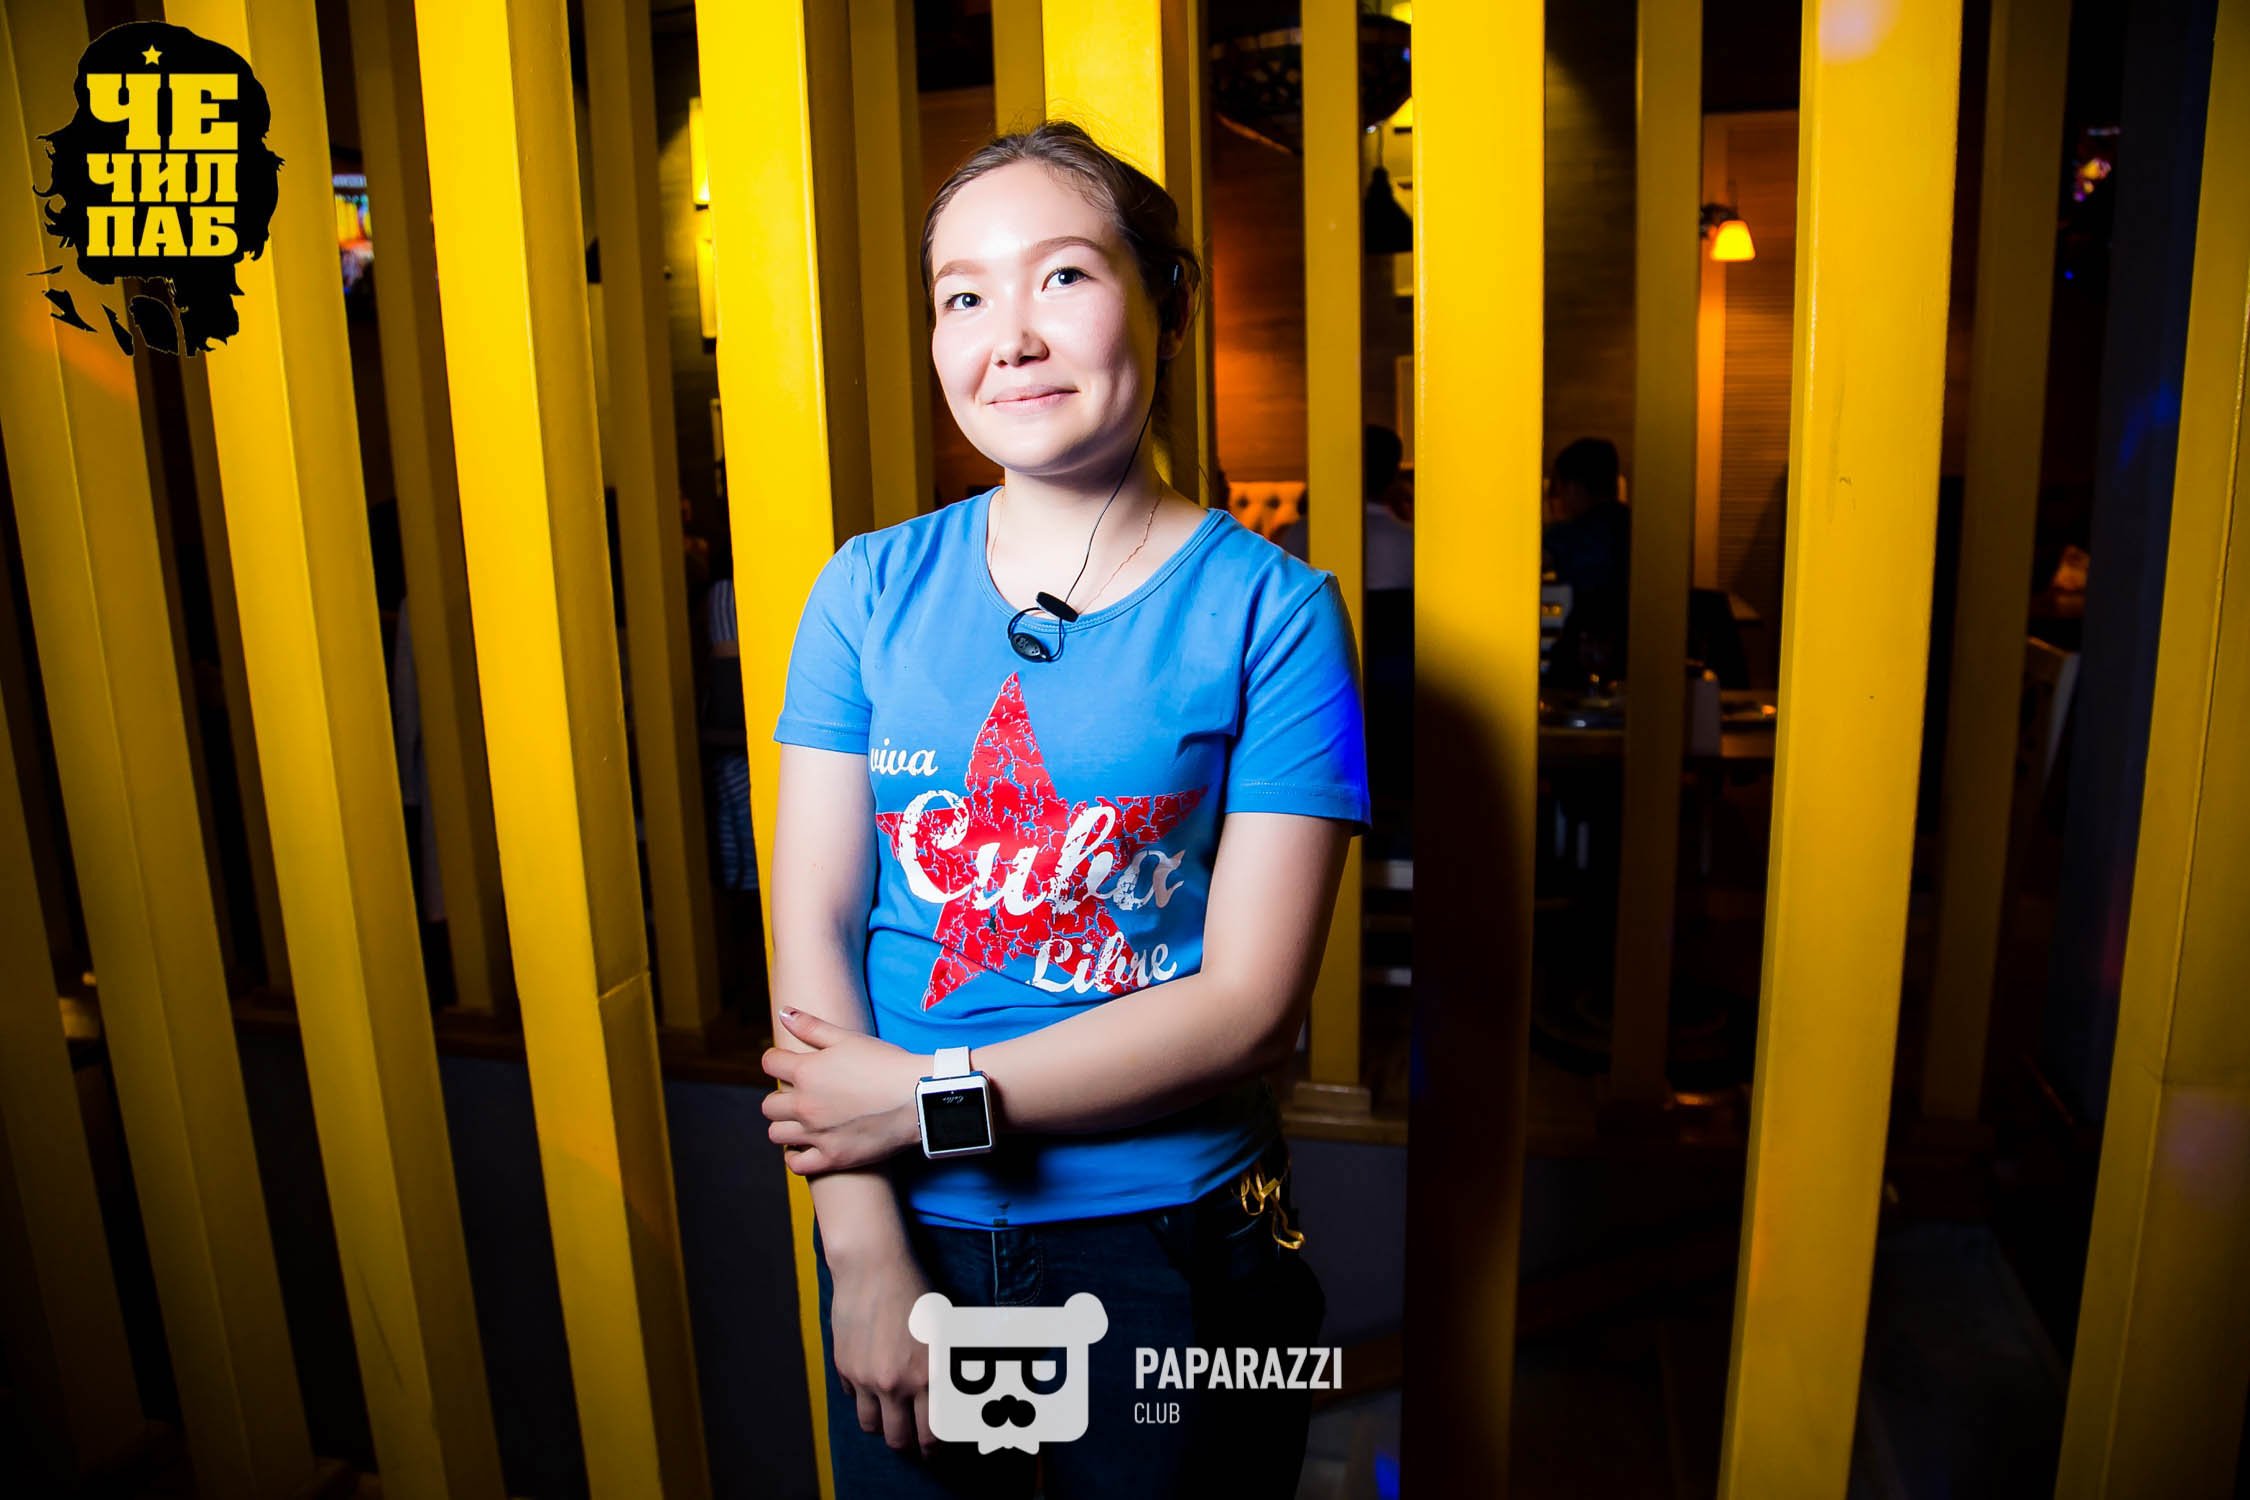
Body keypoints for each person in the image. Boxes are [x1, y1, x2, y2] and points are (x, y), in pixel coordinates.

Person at [761, 120, 1370, 1498]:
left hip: (1180, 1244)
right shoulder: (863, 590)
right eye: (963, 296)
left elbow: (1249, 1010)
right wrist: (863, 1252)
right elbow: (814, 931)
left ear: (1167, 302)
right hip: (906, 1233)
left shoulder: (1277, 614)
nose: (1011, 338)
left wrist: (927, 1102)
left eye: (1063, 277)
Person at [1542, 436, 1632, 684]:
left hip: (1583, 647)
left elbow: (1522, 567)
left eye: (1558, 490)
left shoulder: (1568, 534)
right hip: (1632, 651)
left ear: (1571, 488)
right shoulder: (1635, 526)